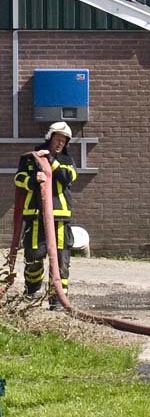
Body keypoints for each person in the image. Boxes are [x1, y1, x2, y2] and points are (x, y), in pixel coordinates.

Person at [13, 122, 77, 310]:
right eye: (57, 139)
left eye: (63, 141)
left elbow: (67, 177)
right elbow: (19, 178)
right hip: (35, 214)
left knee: (60, 259)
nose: (60, 144)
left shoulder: (66, 160)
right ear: (50, 138)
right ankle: (32, 291)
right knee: (34, 254)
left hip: (59, 217)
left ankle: (56, 299)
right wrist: (33, 179)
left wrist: (51, 162)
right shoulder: (31, 159)